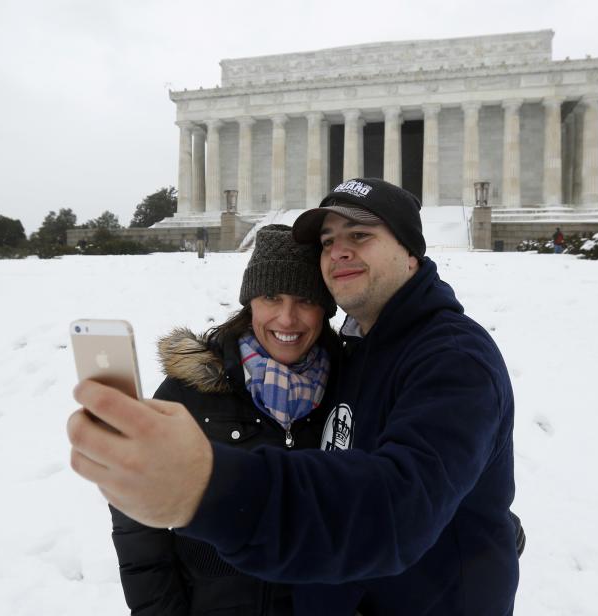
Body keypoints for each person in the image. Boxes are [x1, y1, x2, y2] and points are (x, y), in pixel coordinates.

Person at [68, 178, 519, 615]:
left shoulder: (452, 357)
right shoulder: (360, 353)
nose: (339, 249)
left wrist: (208, 485)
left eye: (360, 234)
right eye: (328, 240)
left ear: (410, 251)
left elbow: (399, 507)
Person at [108, 224, 340, 615]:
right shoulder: (192, 390)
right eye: (271, 297)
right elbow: (137, 519)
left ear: (325, 308)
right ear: (250, 302)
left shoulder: (348, 389)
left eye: (304, 300)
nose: (286, 318)